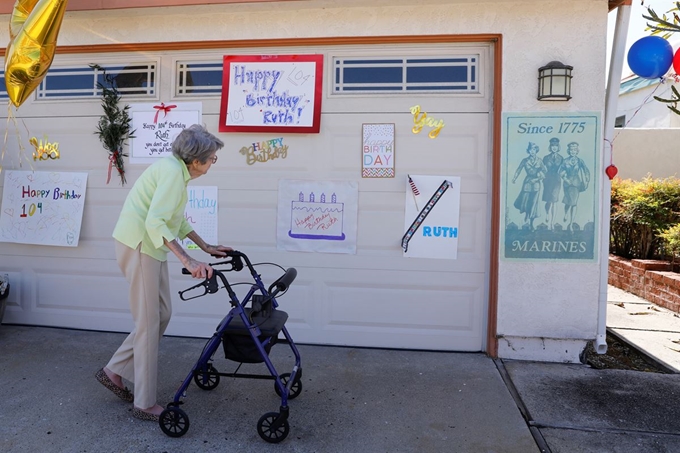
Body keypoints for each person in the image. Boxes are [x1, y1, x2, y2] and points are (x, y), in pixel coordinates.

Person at [95, 124, 232, 421]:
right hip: (140, 245)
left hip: (150, 247)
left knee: (163, 313)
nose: (212, 163)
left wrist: (206, 247)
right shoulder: (172, 174)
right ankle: (143, 403)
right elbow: (156, 223)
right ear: (196, 160)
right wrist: (189, 261)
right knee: (148, 322)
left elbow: (176, 220)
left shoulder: (177, 173)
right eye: (212, 158)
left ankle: (113, 370)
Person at [512, 142, 547, 230]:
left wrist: (539, 176)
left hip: (536, 183)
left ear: (536, 151)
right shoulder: (525, 160)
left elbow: (545, 170)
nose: (532, 151)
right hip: (527, 182)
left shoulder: (539, 160)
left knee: (533, 203)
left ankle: (531, 223)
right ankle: (526, 214)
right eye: (531, 149)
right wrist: (514, 178)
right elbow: (519, 169)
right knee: (525, 200)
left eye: (534, 149)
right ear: (528, 151)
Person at [559, 141, 590, 230]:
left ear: (577, 151)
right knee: (567, 201)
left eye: (575, 150)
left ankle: (571, 223)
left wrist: (587, 180)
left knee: (574, 203)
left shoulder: (580, 161)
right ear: (569, 151)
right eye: (571, 150)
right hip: (567, 184)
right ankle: (566, 213)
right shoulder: (565, 161)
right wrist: (565, 179)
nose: (573, 151)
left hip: (576, 183)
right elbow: (560, 172)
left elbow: (586, 170)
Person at [541, 137, 563, 228]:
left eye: (556, 146)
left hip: (556, 181)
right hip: (548, 180)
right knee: (548, 201)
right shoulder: (546, 158)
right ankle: (547, 214)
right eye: (553, 146)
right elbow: (543, 169)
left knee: (554, 201)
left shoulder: (561, 158)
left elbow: (563, 169)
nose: (554, 147)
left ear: (558, 147)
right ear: (550, 147)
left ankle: (552, 223)